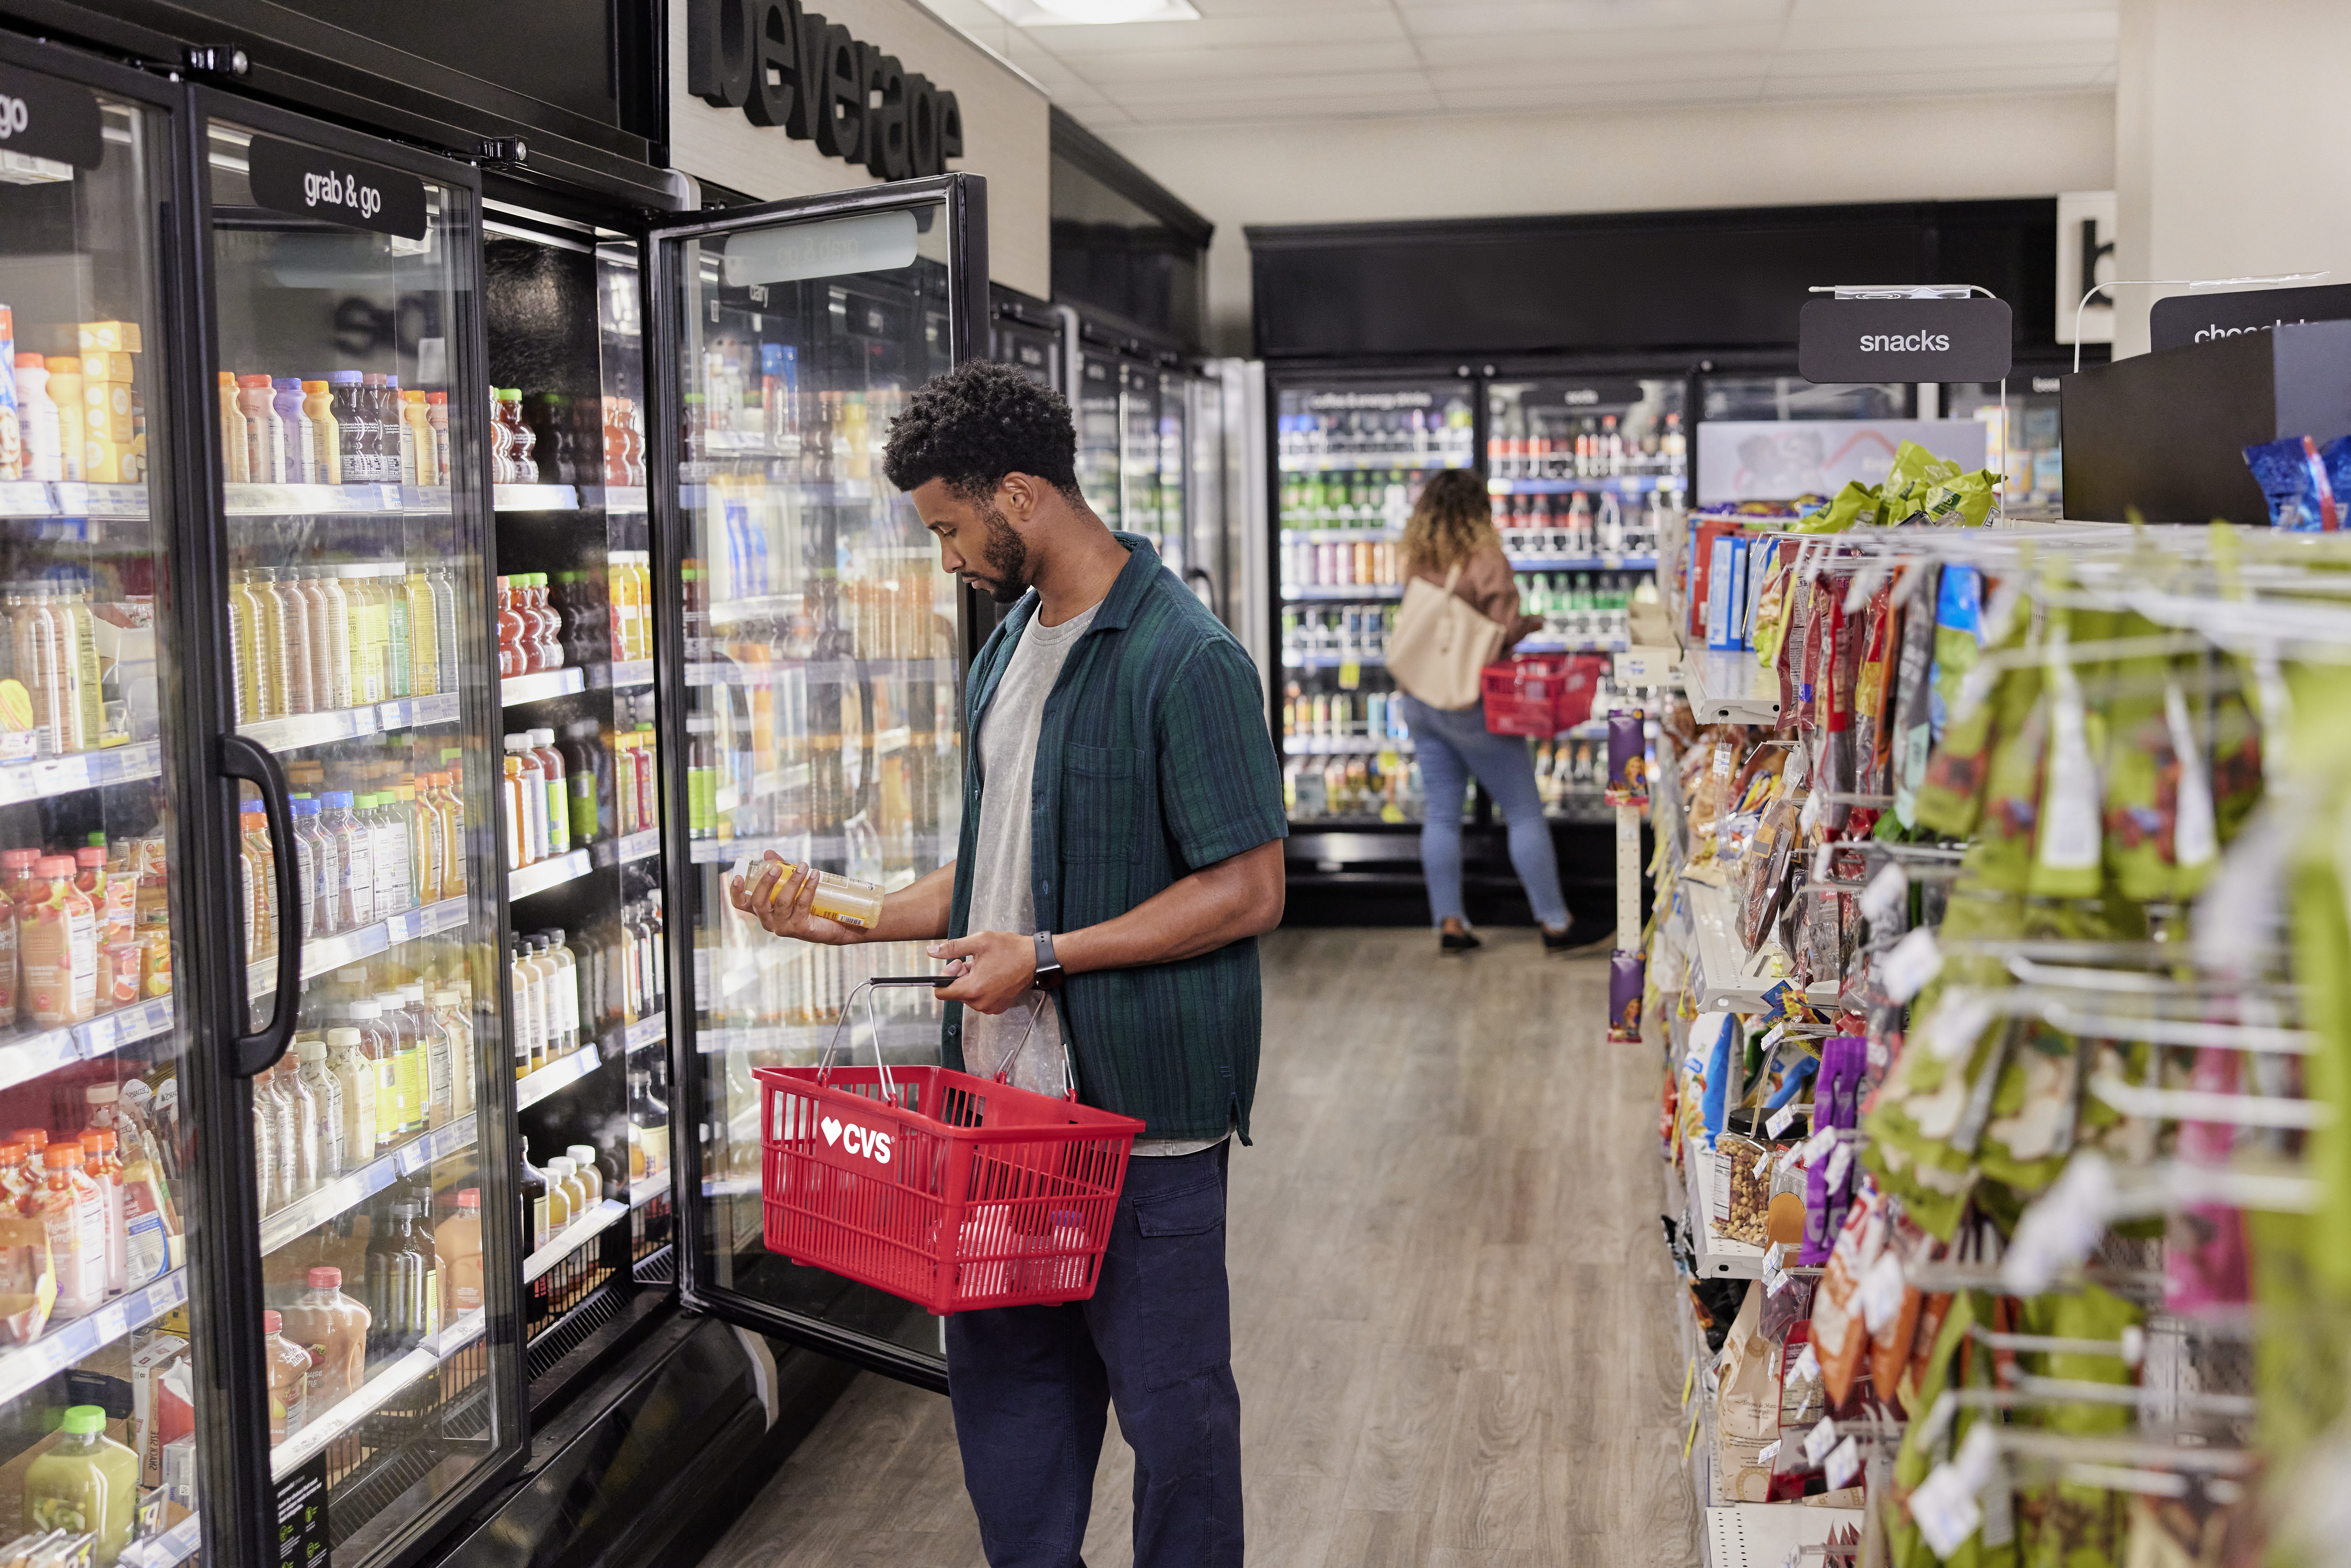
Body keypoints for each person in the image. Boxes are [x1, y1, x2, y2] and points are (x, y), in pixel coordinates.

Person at [729, 360, 1285, 1568]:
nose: (946, 558)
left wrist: (1043, 957)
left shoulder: (1187, 659)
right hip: (1003, 1132)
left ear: (1021, 494)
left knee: (1176, 1430)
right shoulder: (1006, 654)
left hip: (1141, 1134)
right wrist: (846, 913)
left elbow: (1249, 889)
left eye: (949, 527)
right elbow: (995, 867)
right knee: (1013, 1428)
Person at [1395, 468, 1578, 956]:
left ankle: (1450, 922)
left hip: (1420, 699)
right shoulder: (1486, 558)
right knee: (1522, 811)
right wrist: (1529, 625)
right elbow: (1500, 633)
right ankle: (1556, 923)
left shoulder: (1417, 554)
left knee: (1442, 814)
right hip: (1472, 702)